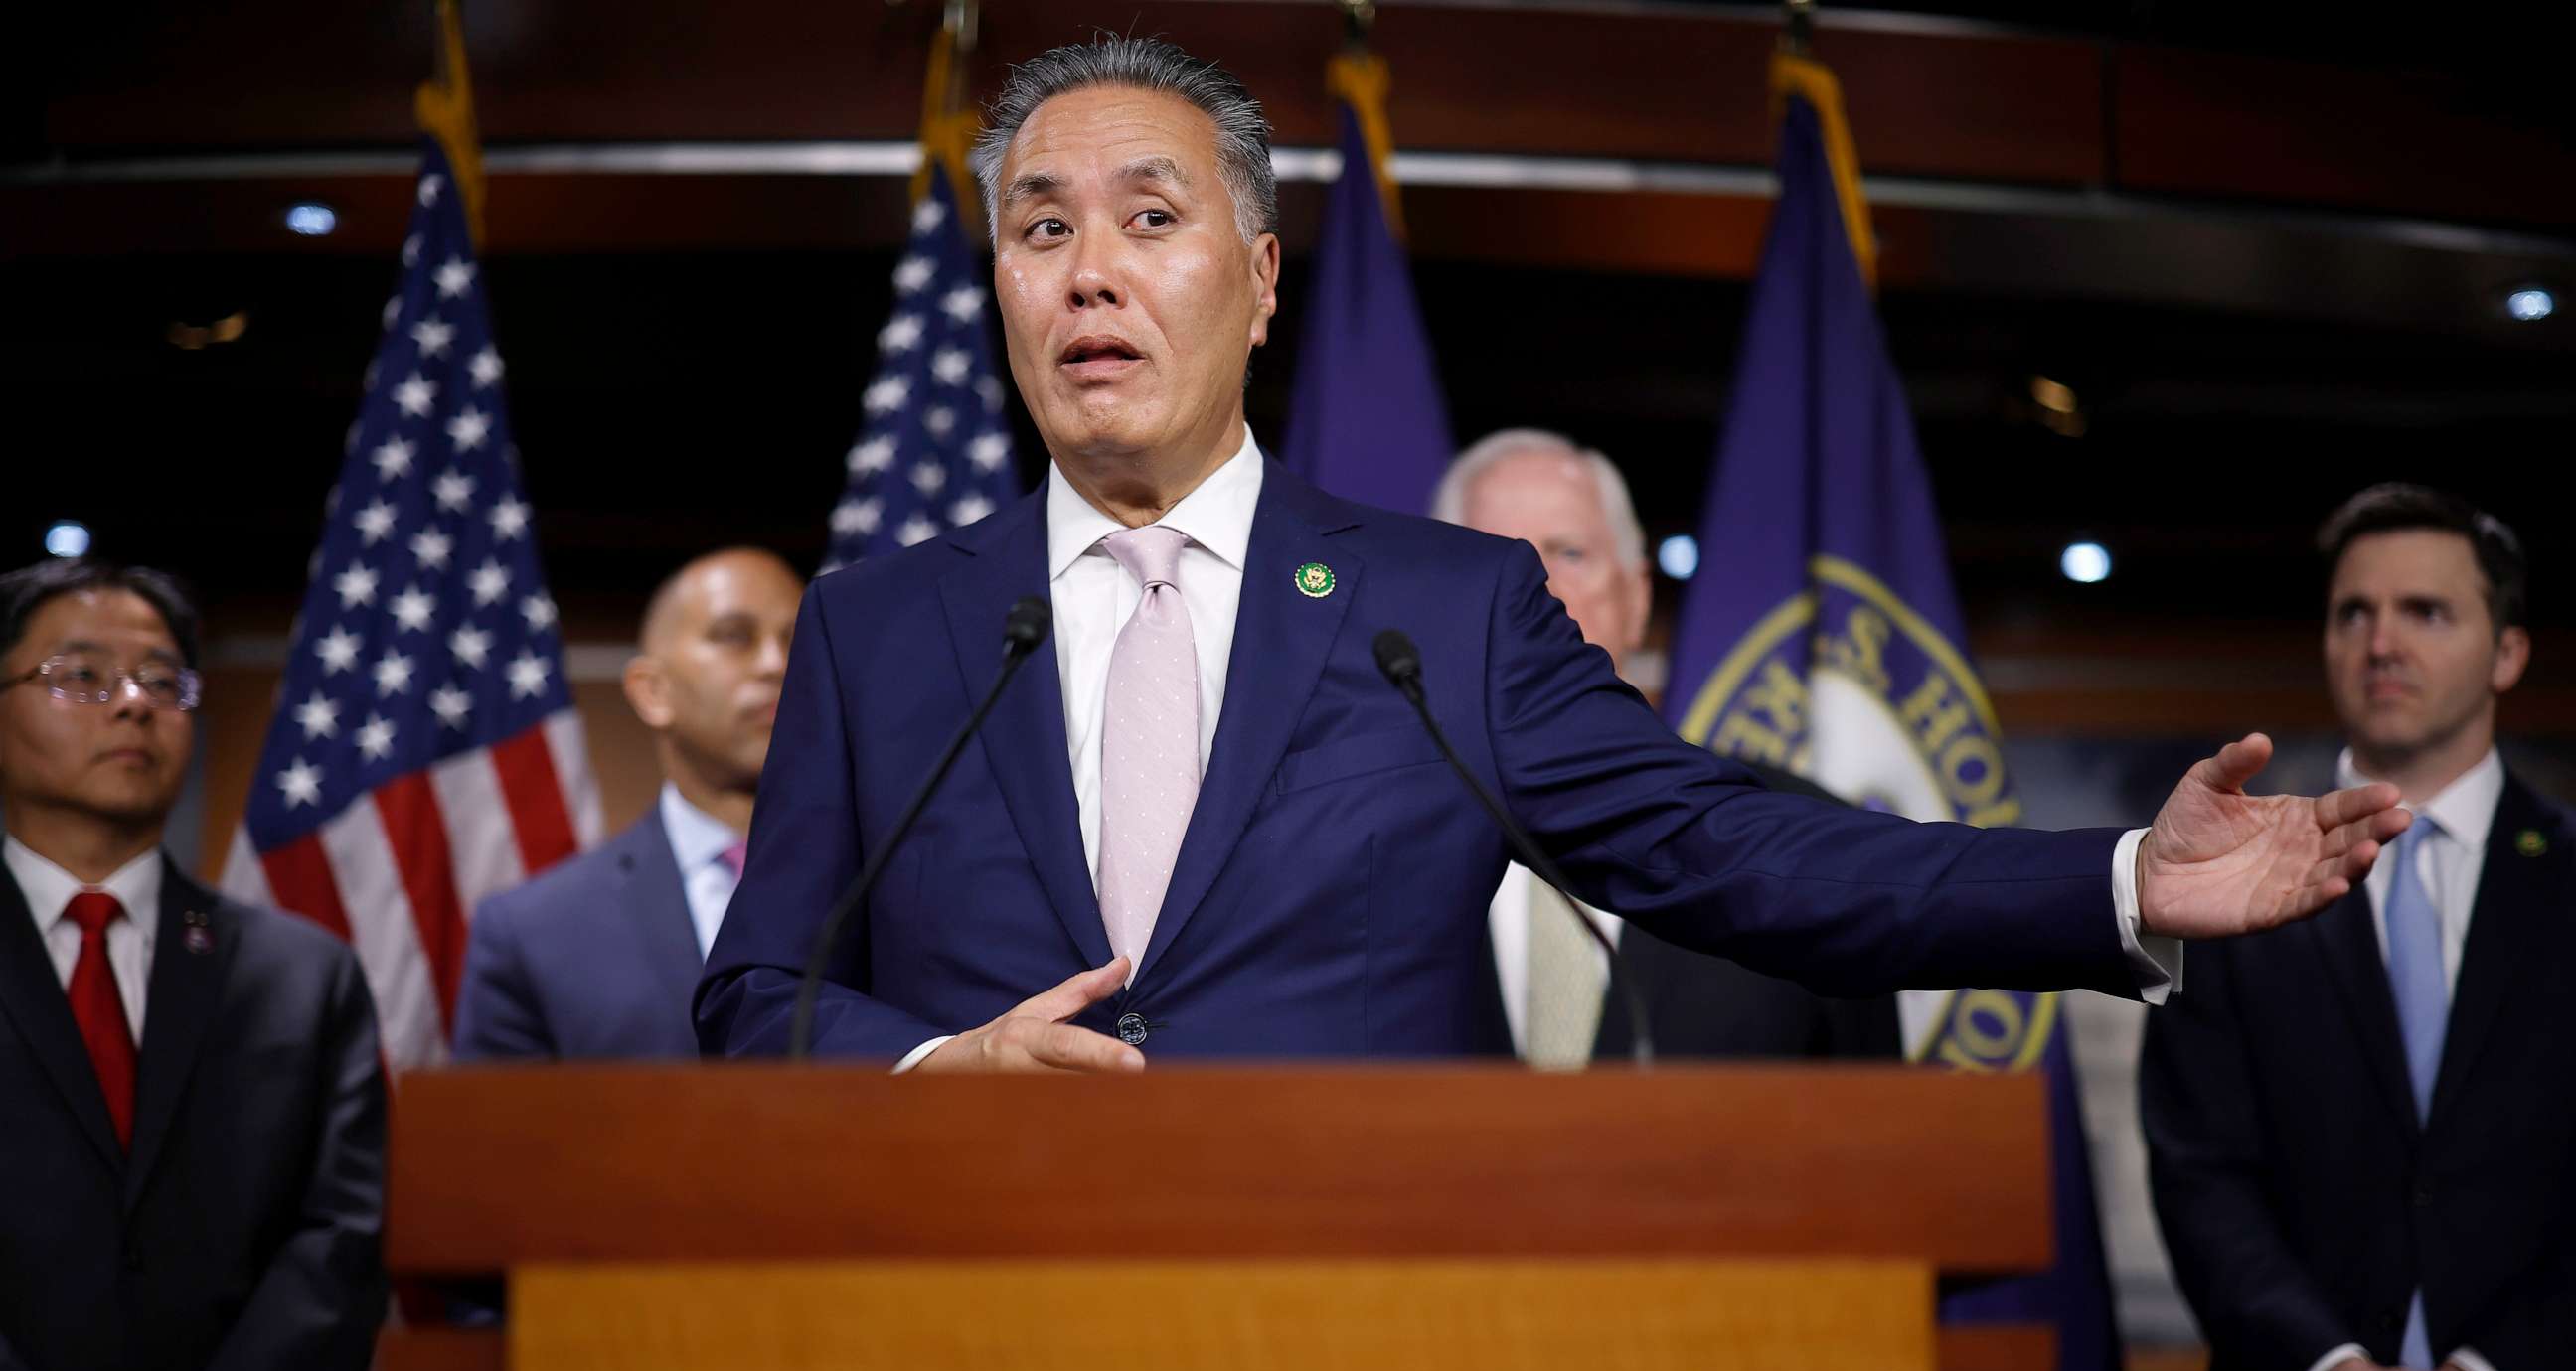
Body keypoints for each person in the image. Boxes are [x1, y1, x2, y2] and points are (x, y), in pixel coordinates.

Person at [698, 35, 2406, 1072]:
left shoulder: (1438, 614)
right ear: (995, 281)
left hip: (1385, 1328)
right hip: (972, 1323)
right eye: (1039, 228)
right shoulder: (879, 626)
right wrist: (929, 1058)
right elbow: (755, 991)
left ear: (1262, 280)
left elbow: (1743, 854)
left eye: (1150, 219)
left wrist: (2113, 881)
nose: (1088, 272)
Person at [2142, 486, 2570, 1371]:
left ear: (2508, 651)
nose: (2381, 640)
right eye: (2355, 614)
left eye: (2426, 611)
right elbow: (2197, 1172)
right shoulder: (2226, 885)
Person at [0, 558, 386, 1371]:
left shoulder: (300, 972)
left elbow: (340, 1241)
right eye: (82, 675)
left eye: (165, 681)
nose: (133, 704)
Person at [1434, 428, 1898, 1064]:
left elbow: (1880, 1127)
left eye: (1569, 553)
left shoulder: (1800, 840)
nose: (1535, 590)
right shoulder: (1359, 837)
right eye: (1495, 556)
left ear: (1636, 597)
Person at [455, 546, 801, 1059]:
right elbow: (498, 1138)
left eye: (797, 641)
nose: (777, 663)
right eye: (735, 636)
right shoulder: (533, 934)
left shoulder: (899, 893)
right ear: (652, 691)